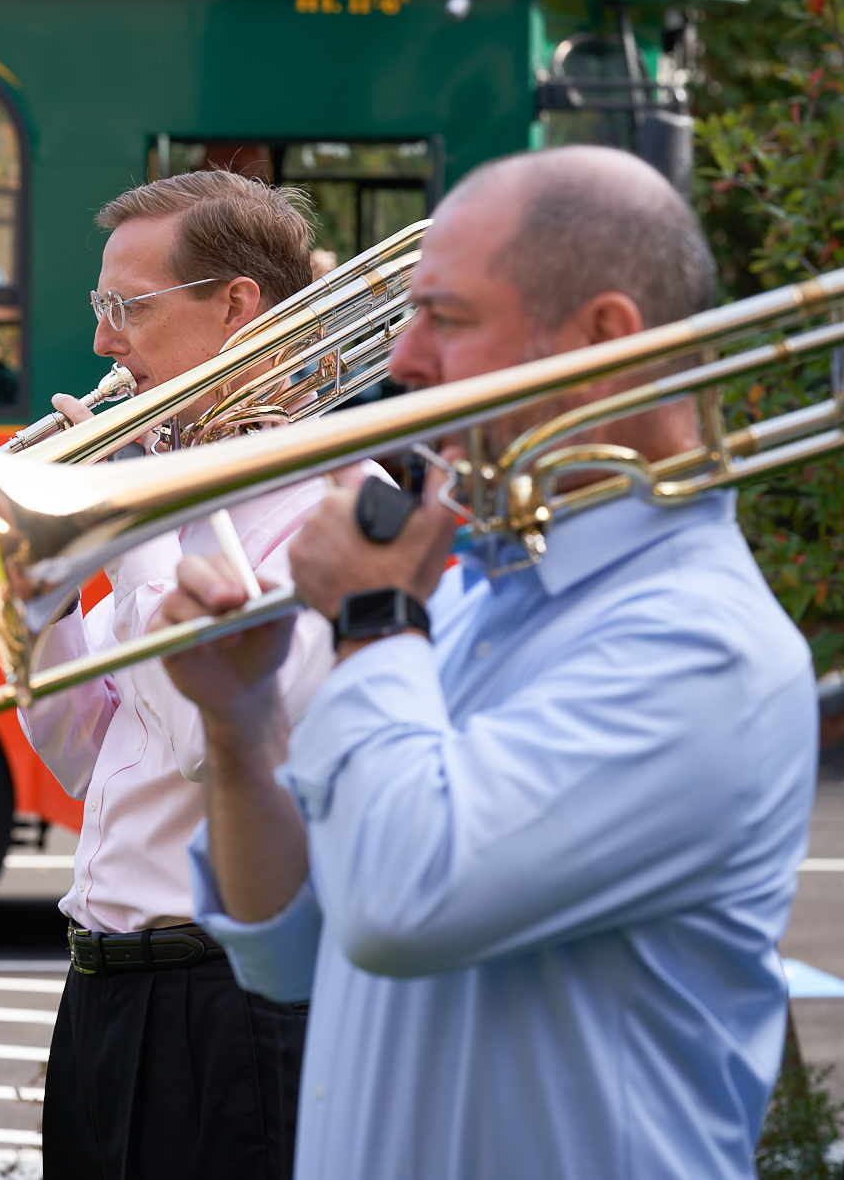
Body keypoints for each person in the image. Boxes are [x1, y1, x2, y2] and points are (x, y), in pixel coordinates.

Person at [161, 145, 817, 1179]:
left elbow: (396, 903)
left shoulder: (703, 649)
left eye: (447, 320)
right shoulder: (460, 587)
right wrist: (237, 732)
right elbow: (286, 954)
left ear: (601, 339)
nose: (403, 359)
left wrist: (373, 613)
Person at [26, 170, 370, 1180]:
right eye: (100, 308)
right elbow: (86, 761)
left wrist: (135, 511)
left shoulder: (331, 511)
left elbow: (196, 743)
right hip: (102, 989)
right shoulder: (167, 524)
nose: (100, 342)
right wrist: (35, 594)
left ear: (234, 309)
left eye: (125, 309)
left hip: (222, 1000)